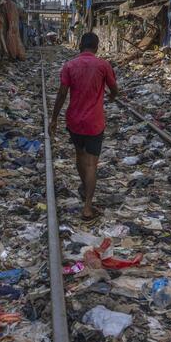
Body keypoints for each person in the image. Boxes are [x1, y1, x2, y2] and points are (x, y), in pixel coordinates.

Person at [49, 32, 119, 221]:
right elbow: (114, 89)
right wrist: (110, 97)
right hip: (95, 122)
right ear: (96, 47)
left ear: (80, 45)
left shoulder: (69, 65)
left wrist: (54, 118)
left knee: (80, 156)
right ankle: (87, 206)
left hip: (75, 121)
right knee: (92, 164)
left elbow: (62, 93)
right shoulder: (103, 65)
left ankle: (84, 185)